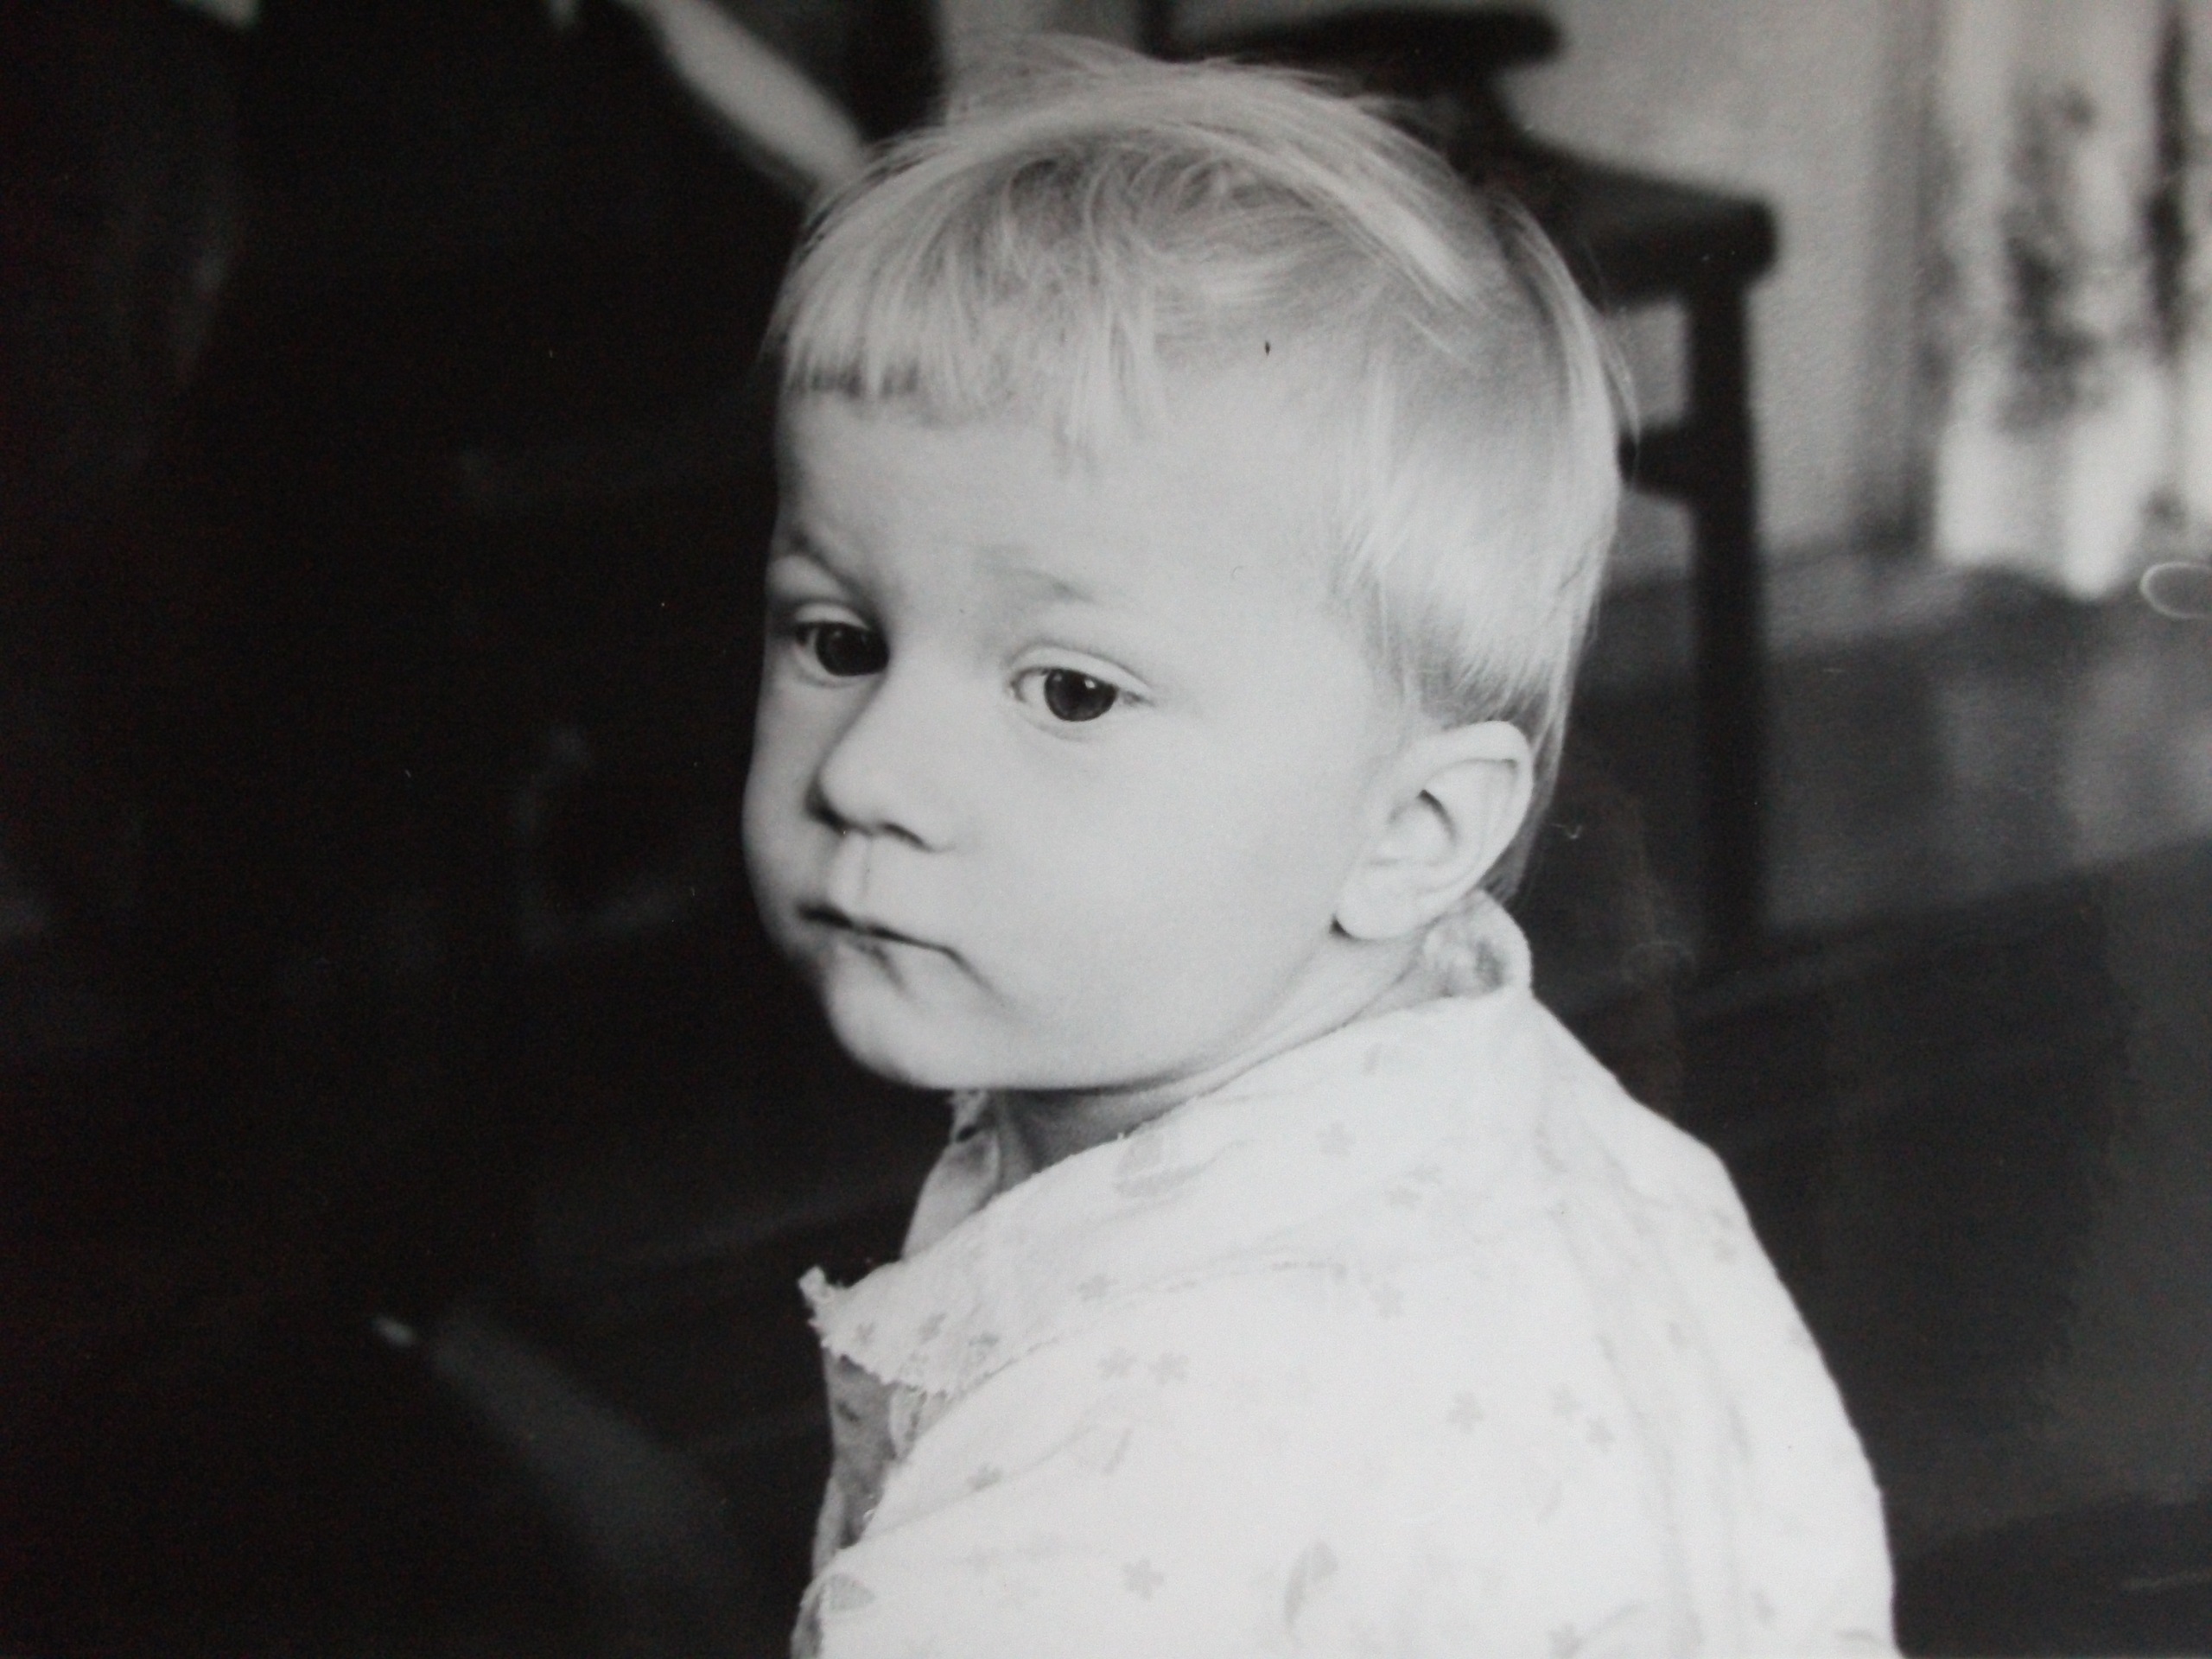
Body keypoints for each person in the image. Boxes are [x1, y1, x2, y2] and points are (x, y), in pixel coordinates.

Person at [741, 41, 1895, 1656]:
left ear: (1416, 829)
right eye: (839, 640)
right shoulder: (1499, 1104)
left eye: (1071, 691)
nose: (870, 773)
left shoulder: (1125, 1470)